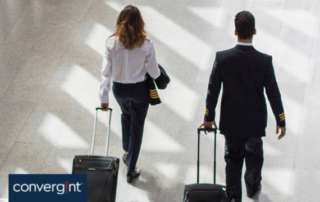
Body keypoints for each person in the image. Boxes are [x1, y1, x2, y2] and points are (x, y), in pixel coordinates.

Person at [199, 11, 286, 202]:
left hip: (231, 123)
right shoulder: (264, 61)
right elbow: (273, 93)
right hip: (255, 123)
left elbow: (212, 91)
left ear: (235, 31)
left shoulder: (222, 58)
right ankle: (252, 187)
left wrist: (208, 118)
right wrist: (281, 120)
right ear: (254, 31)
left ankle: (233, 198)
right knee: (254, 158)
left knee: (232, 160)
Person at [99, 5, 160, 183]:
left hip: (119, 90)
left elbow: (105, 72)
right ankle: (131, 169)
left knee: (126, 114)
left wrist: (104, 97)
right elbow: (155, 73)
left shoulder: (111, 42)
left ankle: (127, 151)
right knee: (137, 126)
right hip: (139, 90)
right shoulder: (146, 44)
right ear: (140, 23)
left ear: (120, 21)